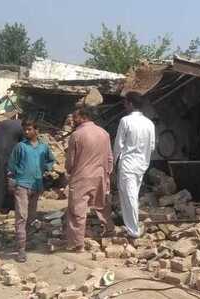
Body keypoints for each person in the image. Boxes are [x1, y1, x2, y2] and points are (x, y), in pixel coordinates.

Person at [65, 107, 113, 252]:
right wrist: (107, 174)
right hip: (100, 176)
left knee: (77, 211)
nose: (73, 120)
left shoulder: (77, 135)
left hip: (81, 177)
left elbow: (70, 162)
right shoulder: (104, 133)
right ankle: (110, 232)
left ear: (84, 117)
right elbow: (109, 157)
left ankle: (77, 243)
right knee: (102, 205)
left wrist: (68, 171)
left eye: (75, 117)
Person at [7, 120, 54, 262]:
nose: (26, 132)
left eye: (29, 129)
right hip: (22, 185)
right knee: (22, 216)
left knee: (32, 217)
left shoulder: (44, 148)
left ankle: (29, 241)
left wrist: (46, 170)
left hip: (37, 186)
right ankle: (21, 249)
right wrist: (14, 178)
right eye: (25, 130)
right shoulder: (20, 147)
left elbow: (51, 161)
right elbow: (11, 165)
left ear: (36, 130)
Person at [114, 92, 155, 238]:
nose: (124, 106)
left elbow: (118, 145)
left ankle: (133, 230)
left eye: (125, 103)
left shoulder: (125, 121)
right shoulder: (149, 123)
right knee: (132, 195)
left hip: (128, 165)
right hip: (142, 165)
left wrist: (112, 162)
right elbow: (151, 147)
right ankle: (131, 226)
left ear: (131, 104)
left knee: (129, 196)